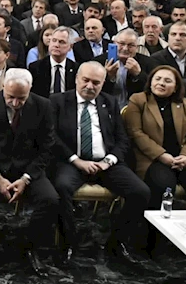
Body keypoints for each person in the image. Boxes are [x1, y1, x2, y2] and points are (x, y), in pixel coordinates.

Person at [50, 62, 151, 268]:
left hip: (106, 163)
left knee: (140, 192)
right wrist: (76, 161)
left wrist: (108, 161)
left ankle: (117, 242)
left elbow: (122, 139)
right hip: (71, 161)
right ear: (77, 79)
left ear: (103, 83)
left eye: (96, 82)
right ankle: (68, 242)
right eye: (85, 80)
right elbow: (51, 137)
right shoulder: (57, 101)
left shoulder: (109, 102)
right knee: (60, 188)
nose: (90, 86)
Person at [0, 68, 59, 276]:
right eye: (10, 97)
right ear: (2, 88)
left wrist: (26, 178)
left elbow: (46, 148)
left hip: (28, 169)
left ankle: (34, 248)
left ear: (30, 91)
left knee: (50, 199)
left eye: (21, 98)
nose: (15, 103)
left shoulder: (43, 106)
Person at [125, 65, 186, 213]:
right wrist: (162, 155)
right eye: (158, 79)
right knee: (163, 186)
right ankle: (156, 233)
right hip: (152, 159)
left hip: (183, 158)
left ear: (176, 87)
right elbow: (136, 133)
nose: (161, 83)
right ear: (150, 82)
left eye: (168, 81)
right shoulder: (138, 100)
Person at [152, 22, 186, 118]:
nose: (177, 38)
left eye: (183, 35)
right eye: (174, 34)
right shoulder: (155, 59)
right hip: (165, 112)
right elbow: (159, 89)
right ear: (168, 37)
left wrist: (173, 86)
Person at [29, 27, 78, 98]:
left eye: (62, 42)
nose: (56, 45)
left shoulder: (76, 69)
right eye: (54, 40)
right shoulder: (36, 67)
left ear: (70, 46)